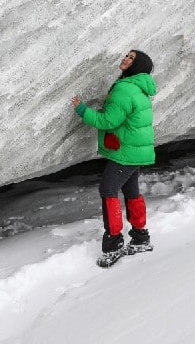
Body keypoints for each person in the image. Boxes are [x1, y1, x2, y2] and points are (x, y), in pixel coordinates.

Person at [71, 49, 157, 267]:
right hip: (135, 150)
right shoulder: (138, 88)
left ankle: (113, 245)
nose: (126, 59)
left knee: (108, 190)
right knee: (131, 191)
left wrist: (82, 110)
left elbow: (108, 121)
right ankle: (140, 238)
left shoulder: (125, 90)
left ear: (137, 67)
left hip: (126, 152)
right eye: (127, 55)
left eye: (131, 59)